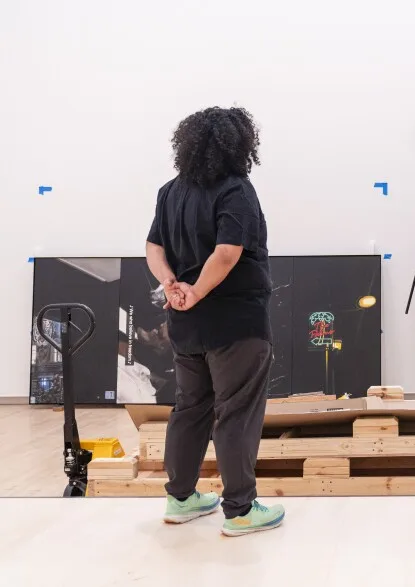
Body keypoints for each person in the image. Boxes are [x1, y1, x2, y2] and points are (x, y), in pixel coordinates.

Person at [145, 106, 285, 537]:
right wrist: (197, 291)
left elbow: (152, 248)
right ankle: (240, 509)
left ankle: (181, 498)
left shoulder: (170, 191)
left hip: (186, 325)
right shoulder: (236, 190)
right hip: (234, 324)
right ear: (240, 144)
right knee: (236, 411)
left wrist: (173, 285)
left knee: (190, 407)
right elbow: (227, 252)